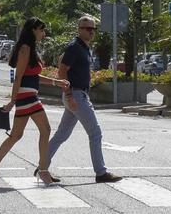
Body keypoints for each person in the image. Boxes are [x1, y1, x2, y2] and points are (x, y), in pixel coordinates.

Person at [0, 18, 68, 188]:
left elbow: (33, 76)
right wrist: (12, 101)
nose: (44, 34)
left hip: (28, 96)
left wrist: (55, 82)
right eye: (41, 30)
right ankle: (43, 171)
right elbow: (19, 77)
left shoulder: (31, 49)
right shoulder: (25, 48)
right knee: (46, 130)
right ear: (33, 30)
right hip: (26, 97)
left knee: (16, 135)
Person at [45, 16, 123, 184]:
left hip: (78, 95)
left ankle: (42, 166)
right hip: (75, 95)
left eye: (93, 29)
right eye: (88, 29)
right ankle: (101, 172)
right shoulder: (75, 47)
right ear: (79, 29)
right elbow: (62, 70)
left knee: (61, 135)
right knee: (95, 133)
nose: (91, 32)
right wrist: (69, 95)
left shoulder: (85, 48)